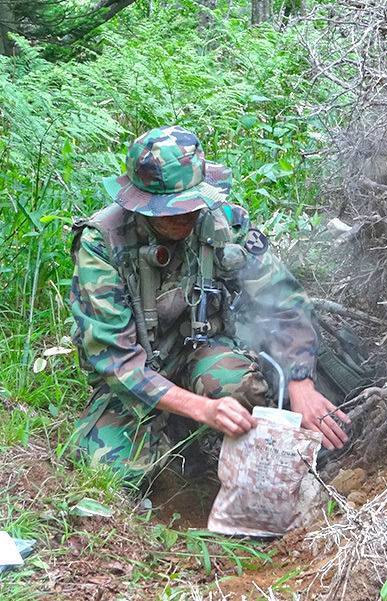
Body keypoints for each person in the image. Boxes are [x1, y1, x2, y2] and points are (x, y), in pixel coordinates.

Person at [70, 125, 350, 486]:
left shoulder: (224, 224)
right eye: (170, 211)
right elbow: (118, 363)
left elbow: (283, 300)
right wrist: (204, 409)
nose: (184, 218)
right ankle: (175, 438)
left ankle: (224, 440)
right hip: (137, 377)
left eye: (191, 205)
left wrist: (300, 383)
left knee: (240, 387)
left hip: (202, 351)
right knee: (109, 469)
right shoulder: (102, 245)